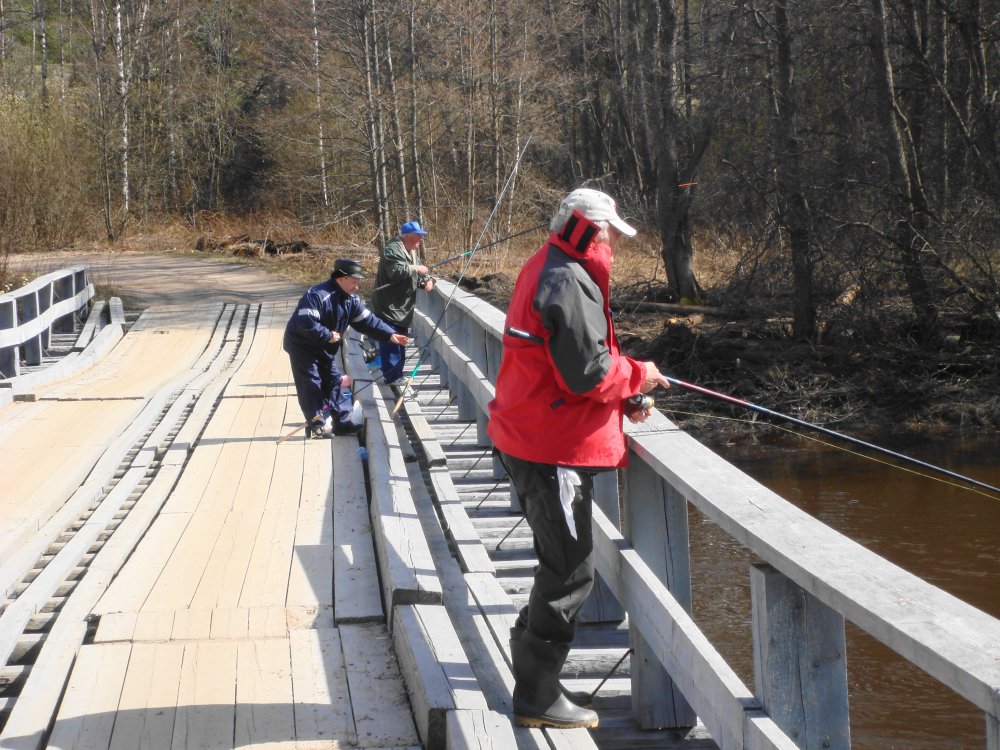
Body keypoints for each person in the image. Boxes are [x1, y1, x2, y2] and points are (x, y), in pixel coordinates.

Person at [487, 188, 666, 729]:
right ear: (591, 228)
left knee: (561, 562)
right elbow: (587, 373)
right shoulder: (567, 278)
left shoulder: (549, 265)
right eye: (611, 231)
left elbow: (568, 362)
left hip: (535, 435)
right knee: (570, 571)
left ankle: (532, 672)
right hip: (552, 450)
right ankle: (536, 696)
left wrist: (622, 395)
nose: (615, 241)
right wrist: (638, 376)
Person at [283, 258, 409, 438]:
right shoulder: (317, 295)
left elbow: (368, 321)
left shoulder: (352, 301)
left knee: (333, 380)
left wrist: (389, 335)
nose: (357, 286)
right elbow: (306, 323)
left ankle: (342, 422)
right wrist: (327, 335)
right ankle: (317, 424)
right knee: (311, 382)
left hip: (325, 347)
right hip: (302, 346)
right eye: (354, 281)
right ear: (341, 278)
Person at [370, 221, 435, 394]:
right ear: (407, 236)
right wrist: (417, 268)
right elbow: (396, 271)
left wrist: (426, 280)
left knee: (401, 340)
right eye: (418, 236)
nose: (420, 240)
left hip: (402, 307)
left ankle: (397, 374)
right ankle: (392, 376)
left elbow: (419, 272)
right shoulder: (392, 250)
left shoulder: (411, 252)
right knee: (392, 339)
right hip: (388, 305)